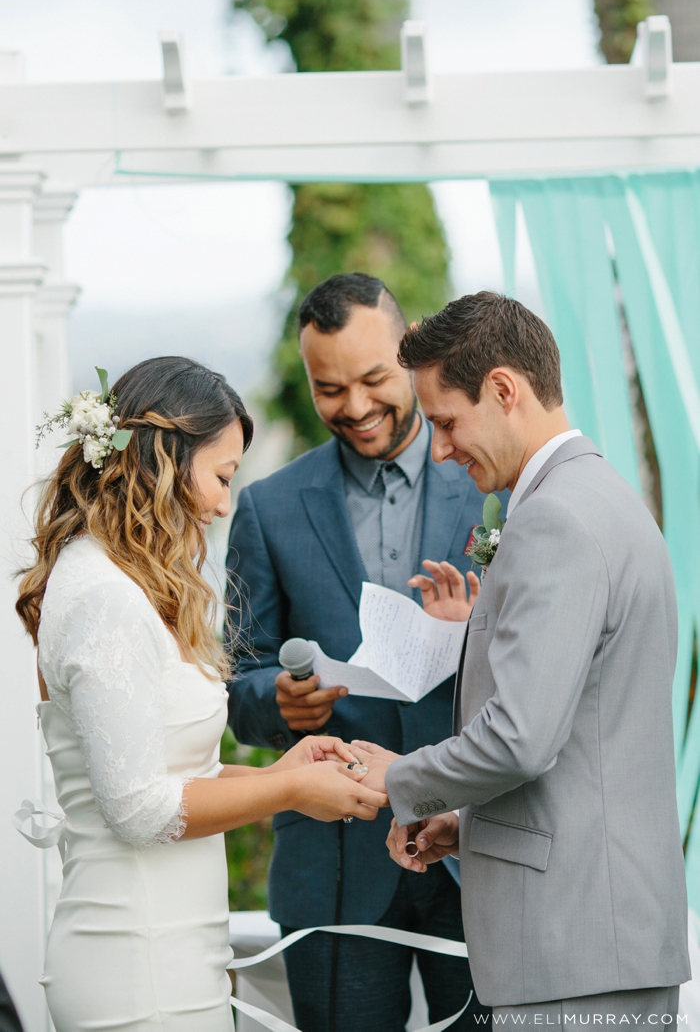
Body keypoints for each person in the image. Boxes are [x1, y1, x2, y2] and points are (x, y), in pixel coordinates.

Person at [349, 291, 691, 1028]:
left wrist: (399, 778)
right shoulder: (604, 498)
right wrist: (468, 825)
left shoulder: (554, 520)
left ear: (504, 389)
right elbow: (587, 746)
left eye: (445, 421)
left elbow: (520, 736)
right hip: (602, 940)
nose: (439, 448)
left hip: (575, 951)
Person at [15, 356, 387, 1032]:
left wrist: (283, 768)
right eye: (220, 477)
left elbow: (179, 778)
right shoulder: (104, 598)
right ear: (162, 462)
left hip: (172, 957)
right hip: (134, 966)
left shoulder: (119, 584)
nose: (223, 503)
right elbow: (139, 809)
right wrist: (289, 793)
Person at [227, 274, 497, 1032]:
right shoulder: (268, 506)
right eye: (328, 388)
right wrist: (276, 700)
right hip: (332, 863)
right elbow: (234, 682)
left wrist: (481, 631)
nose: (354, 406)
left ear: (409, 351)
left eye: (374, 378)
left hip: (474, 846)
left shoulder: (490, 488)